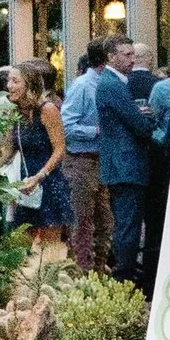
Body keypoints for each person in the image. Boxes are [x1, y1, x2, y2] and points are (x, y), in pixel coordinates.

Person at [91, 41, 160, 286]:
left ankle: (125, 275)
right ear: (111, 56)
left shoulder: (114, 82)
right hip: (125, 165)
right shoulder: (112, 84)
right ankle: (124, 279)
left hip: (122, 165)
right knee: (128, 226)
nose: (132, 59)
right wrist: (146, 118)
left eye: (133, 54)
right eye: (127, 54)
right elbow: (139, 126)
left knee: (126, 224)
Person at [2, 63, 70, 256]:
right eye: (8, 80)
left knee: (50, 253)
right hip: (25, 185)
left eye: (15, 81)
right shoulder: (14, 112)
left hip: (49, 182)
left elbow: (59, 149)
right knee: (19, 248)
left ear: (29, 85)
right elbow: (7, 152)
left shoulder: (47, 109)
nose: (9, 86)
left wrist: (40, 175)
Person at [60, 42, 113, 273]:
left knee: (105, 220)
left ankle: (99, 269)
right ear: (109, 59)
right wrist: (98, 131)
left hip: (101, 160)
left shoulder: (107, 85)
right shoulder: (82, 86)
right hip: (81, 160)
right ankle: (83, 273)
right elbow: (66, 125)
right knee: (83, 221)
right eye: (126, 54)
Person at [137, 52, 170, 288]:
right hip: (165, 162)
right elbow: (151, 124)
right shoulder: (164, 89)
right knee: (160, 219)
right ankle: (154, 277)